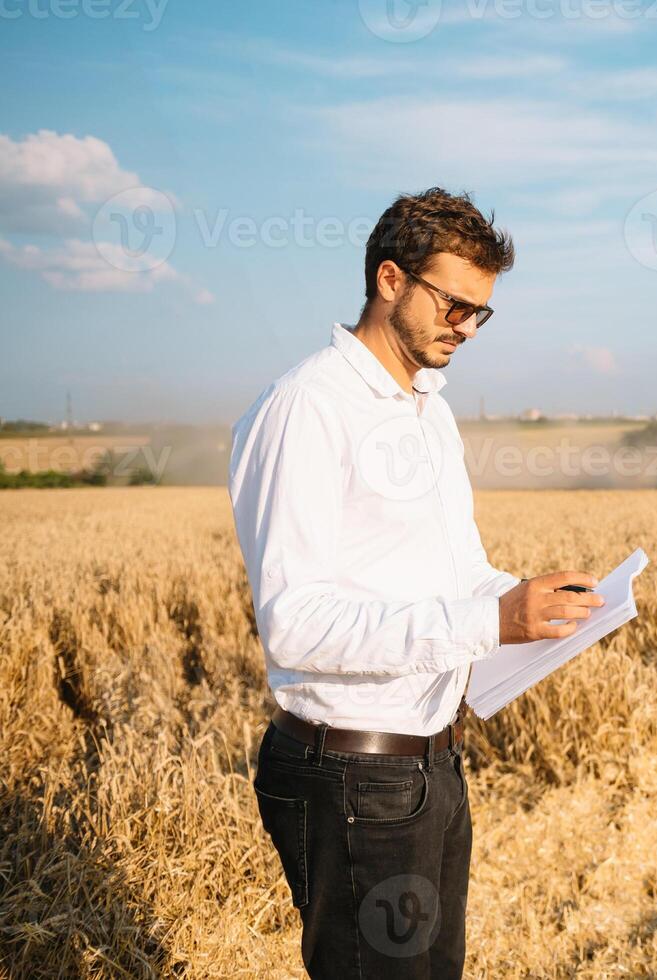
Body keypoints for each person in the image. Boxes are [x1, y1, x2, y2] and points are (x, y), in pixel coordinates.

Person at [227, 187, 604, 979]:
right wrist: (489, 622)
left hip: (432, 765)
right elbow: (295, 625)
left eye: (481, 313)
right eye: (454, 304)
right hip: (352, 778)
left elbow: (458, 574)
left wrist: (537, 608)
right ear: (390, 280)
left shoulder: (430, 411)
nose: (466, 327)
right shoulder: (307, 408)